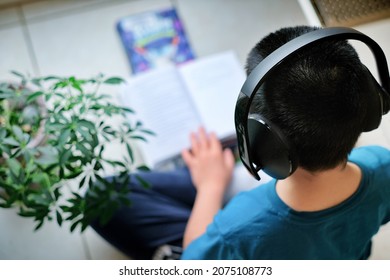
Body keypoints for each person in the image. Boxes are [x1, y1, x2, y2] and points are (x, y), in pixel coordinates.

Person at [91, 25, 390, 259]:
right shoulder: (383, 164)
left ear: (264, 146)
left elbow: (194, 262)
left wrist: (210, 187)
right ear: (373, 105)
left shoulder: (237, 232)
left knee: (101, 197)